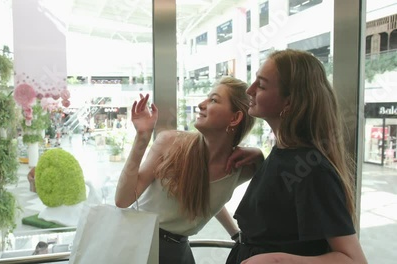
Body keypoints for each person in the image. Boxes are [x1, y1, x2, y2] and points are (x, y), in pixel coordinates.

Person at [225, 49, 368, 264]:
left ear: (289, 102)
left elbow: (353, 259)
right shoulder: (284, 154)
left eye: (261, 85)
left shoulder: (311, 169)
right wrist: (261, 161)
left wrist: (278, 260)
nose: (250, 90)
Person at [115, 76, 264, 264]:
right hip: (139, 245)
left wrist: (260, 157)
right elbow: (123, 199)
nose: (201, 104)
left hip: (178, 252)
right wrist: (142, 137)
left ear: (234, 118)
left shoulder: (242, 168)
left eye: (213, 100)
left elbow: (205, 197)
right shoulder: (170, 142)